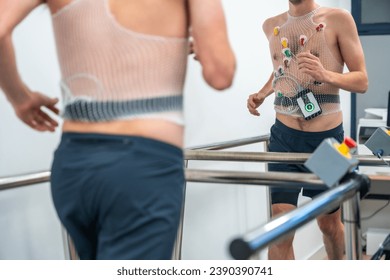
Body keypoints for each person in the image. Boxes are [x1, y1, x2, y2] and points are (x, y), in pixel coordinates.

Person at [0, 0, 236, 259]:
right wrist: (198, 44)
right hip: (142, 169)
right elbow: (220, 73)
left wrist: (19, 98)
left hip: (73, 165)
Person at [247, 0, 368, 260]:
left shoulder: (338, 19)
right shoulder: (271, 26)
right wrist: (263, 93)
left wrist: (327, 74)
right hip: (284, 138)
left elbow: (362, 80)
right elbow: (281, 68)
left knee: (328, 223)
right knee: (281, 227)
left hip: (329, 143)